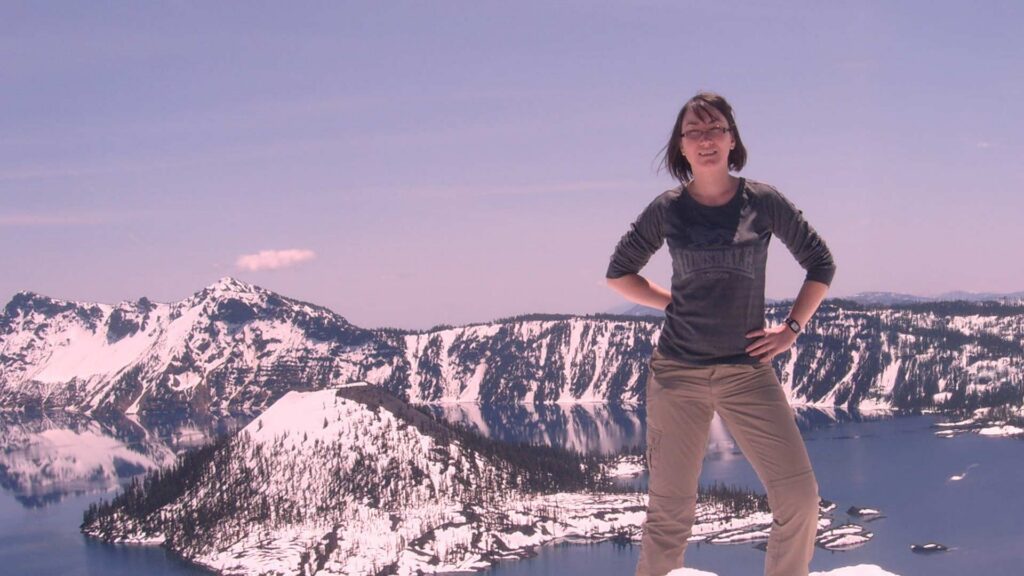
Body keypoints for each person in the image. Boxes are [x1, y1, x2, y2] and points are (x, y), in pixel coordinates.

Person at [605, 92, 836, 576]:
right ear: (681, 146)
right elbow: (619, 275)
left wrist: (791, 329)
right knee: (669, 515)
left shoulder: (763, 202)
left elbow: (821, 264)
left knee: (799, 498)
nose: (705, 139)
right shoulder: (668, 209)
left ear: (733, 139)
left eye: (715, 129)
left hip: (747, 373)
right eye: (694, 131)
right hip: (677, 375)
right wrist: (673, 302)